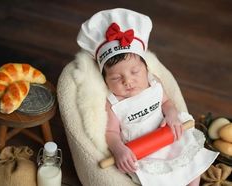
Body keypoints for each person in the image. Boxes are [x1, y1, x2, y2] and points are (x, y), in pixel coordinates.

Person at [76, 8, 219, 186]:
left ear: (146, 69)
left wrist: (172, 115)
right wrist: (119, 149)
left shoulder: (154, 83)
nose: (128, 81)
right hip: (144, 150)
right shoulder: (112, 103)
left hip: (168, 136)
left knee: (191, 166)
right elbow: (111, 132)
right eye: (116, 78)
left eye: (135, 71)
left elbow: (166, 102)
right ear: (105, 81)